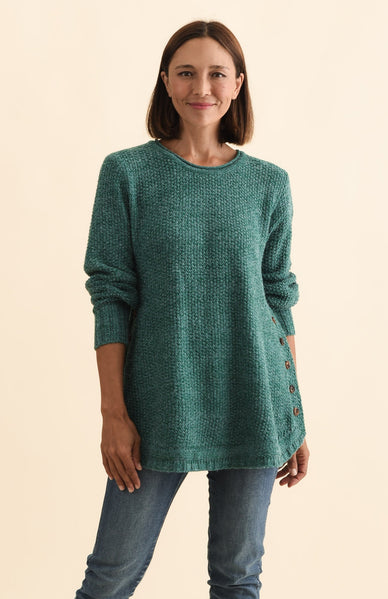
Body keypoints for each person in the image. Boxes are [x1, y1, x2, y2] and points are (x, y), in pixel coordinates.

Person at [75, 19, 310, 599]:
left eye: (216, 74)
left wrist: (293, 413)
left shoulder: (269, 184)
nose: (201, 86)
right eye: (186, 72)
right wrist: (113, 413)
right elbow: (111, 295)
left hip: (254, 398)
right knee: (109, 578)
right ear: (166, 82)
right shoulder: (127, 173)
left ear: (237, 85)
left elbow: (278, 297)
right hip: (159, 402)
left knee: (238, 579)